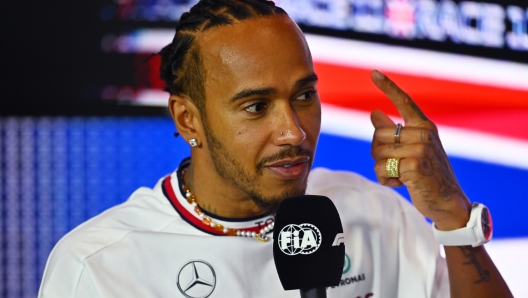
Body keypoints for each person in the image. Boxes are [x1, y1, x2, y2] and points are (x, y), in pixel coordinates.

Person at [39, 0, 513, 297]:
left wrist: (453, 218)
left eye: (304, 96)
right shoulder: (98, 266)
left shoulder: (376, 213)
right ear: (188, 119)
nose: (293, 132)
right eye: (255, 106)